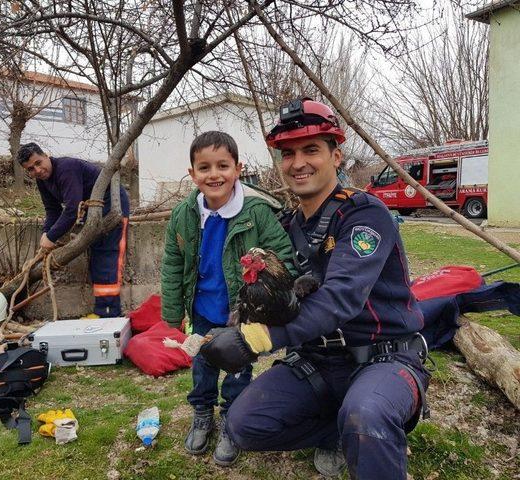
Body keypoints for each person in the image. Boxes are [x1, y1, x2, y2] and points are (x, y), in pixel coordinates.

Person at [199, 98, 431, 479]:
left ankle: (368, 424)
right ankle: (342, 430)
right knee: (244, 424)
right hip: (317, 363)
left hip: (382, 356)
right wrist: (234, 322)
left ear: (336, 156)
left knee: (367, 416)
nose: (298, 162)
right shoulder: (286, 226)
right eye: (287, 153)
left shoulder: (365, 215)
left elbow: (340, 298)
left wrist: (255, 340)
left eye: (311, 150)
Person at [160, 131, 296, 466]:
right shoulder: (184, 214)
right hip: (203, 311)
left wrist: (269, 298)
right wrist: (173, 311)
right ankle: (203, 412)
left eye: (223, 165)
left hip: (241, 316)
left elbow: (285, 259)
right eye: (204, 167)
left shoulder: (258, 213)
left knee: (238, 371)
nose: (214, 174)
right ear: (192, 174)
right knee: (203, 367)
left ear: (238, 169)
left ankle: (232, 422)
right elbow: (173, 263)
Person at [17, 143, 130, 318]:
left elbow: (70, 210)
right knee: (97, 259)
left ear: (46, 155)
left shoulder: (66, 168)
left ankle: (110, 314)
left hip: (112, 204)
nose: (37, 170)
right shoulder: (43, 181)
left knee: (108, 256)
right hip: (93, 209)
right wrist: (46, 234)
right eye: (31, 169)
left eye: (38, 163)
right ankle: (103, 311)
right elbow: (52, 210)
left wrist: (52, 237)